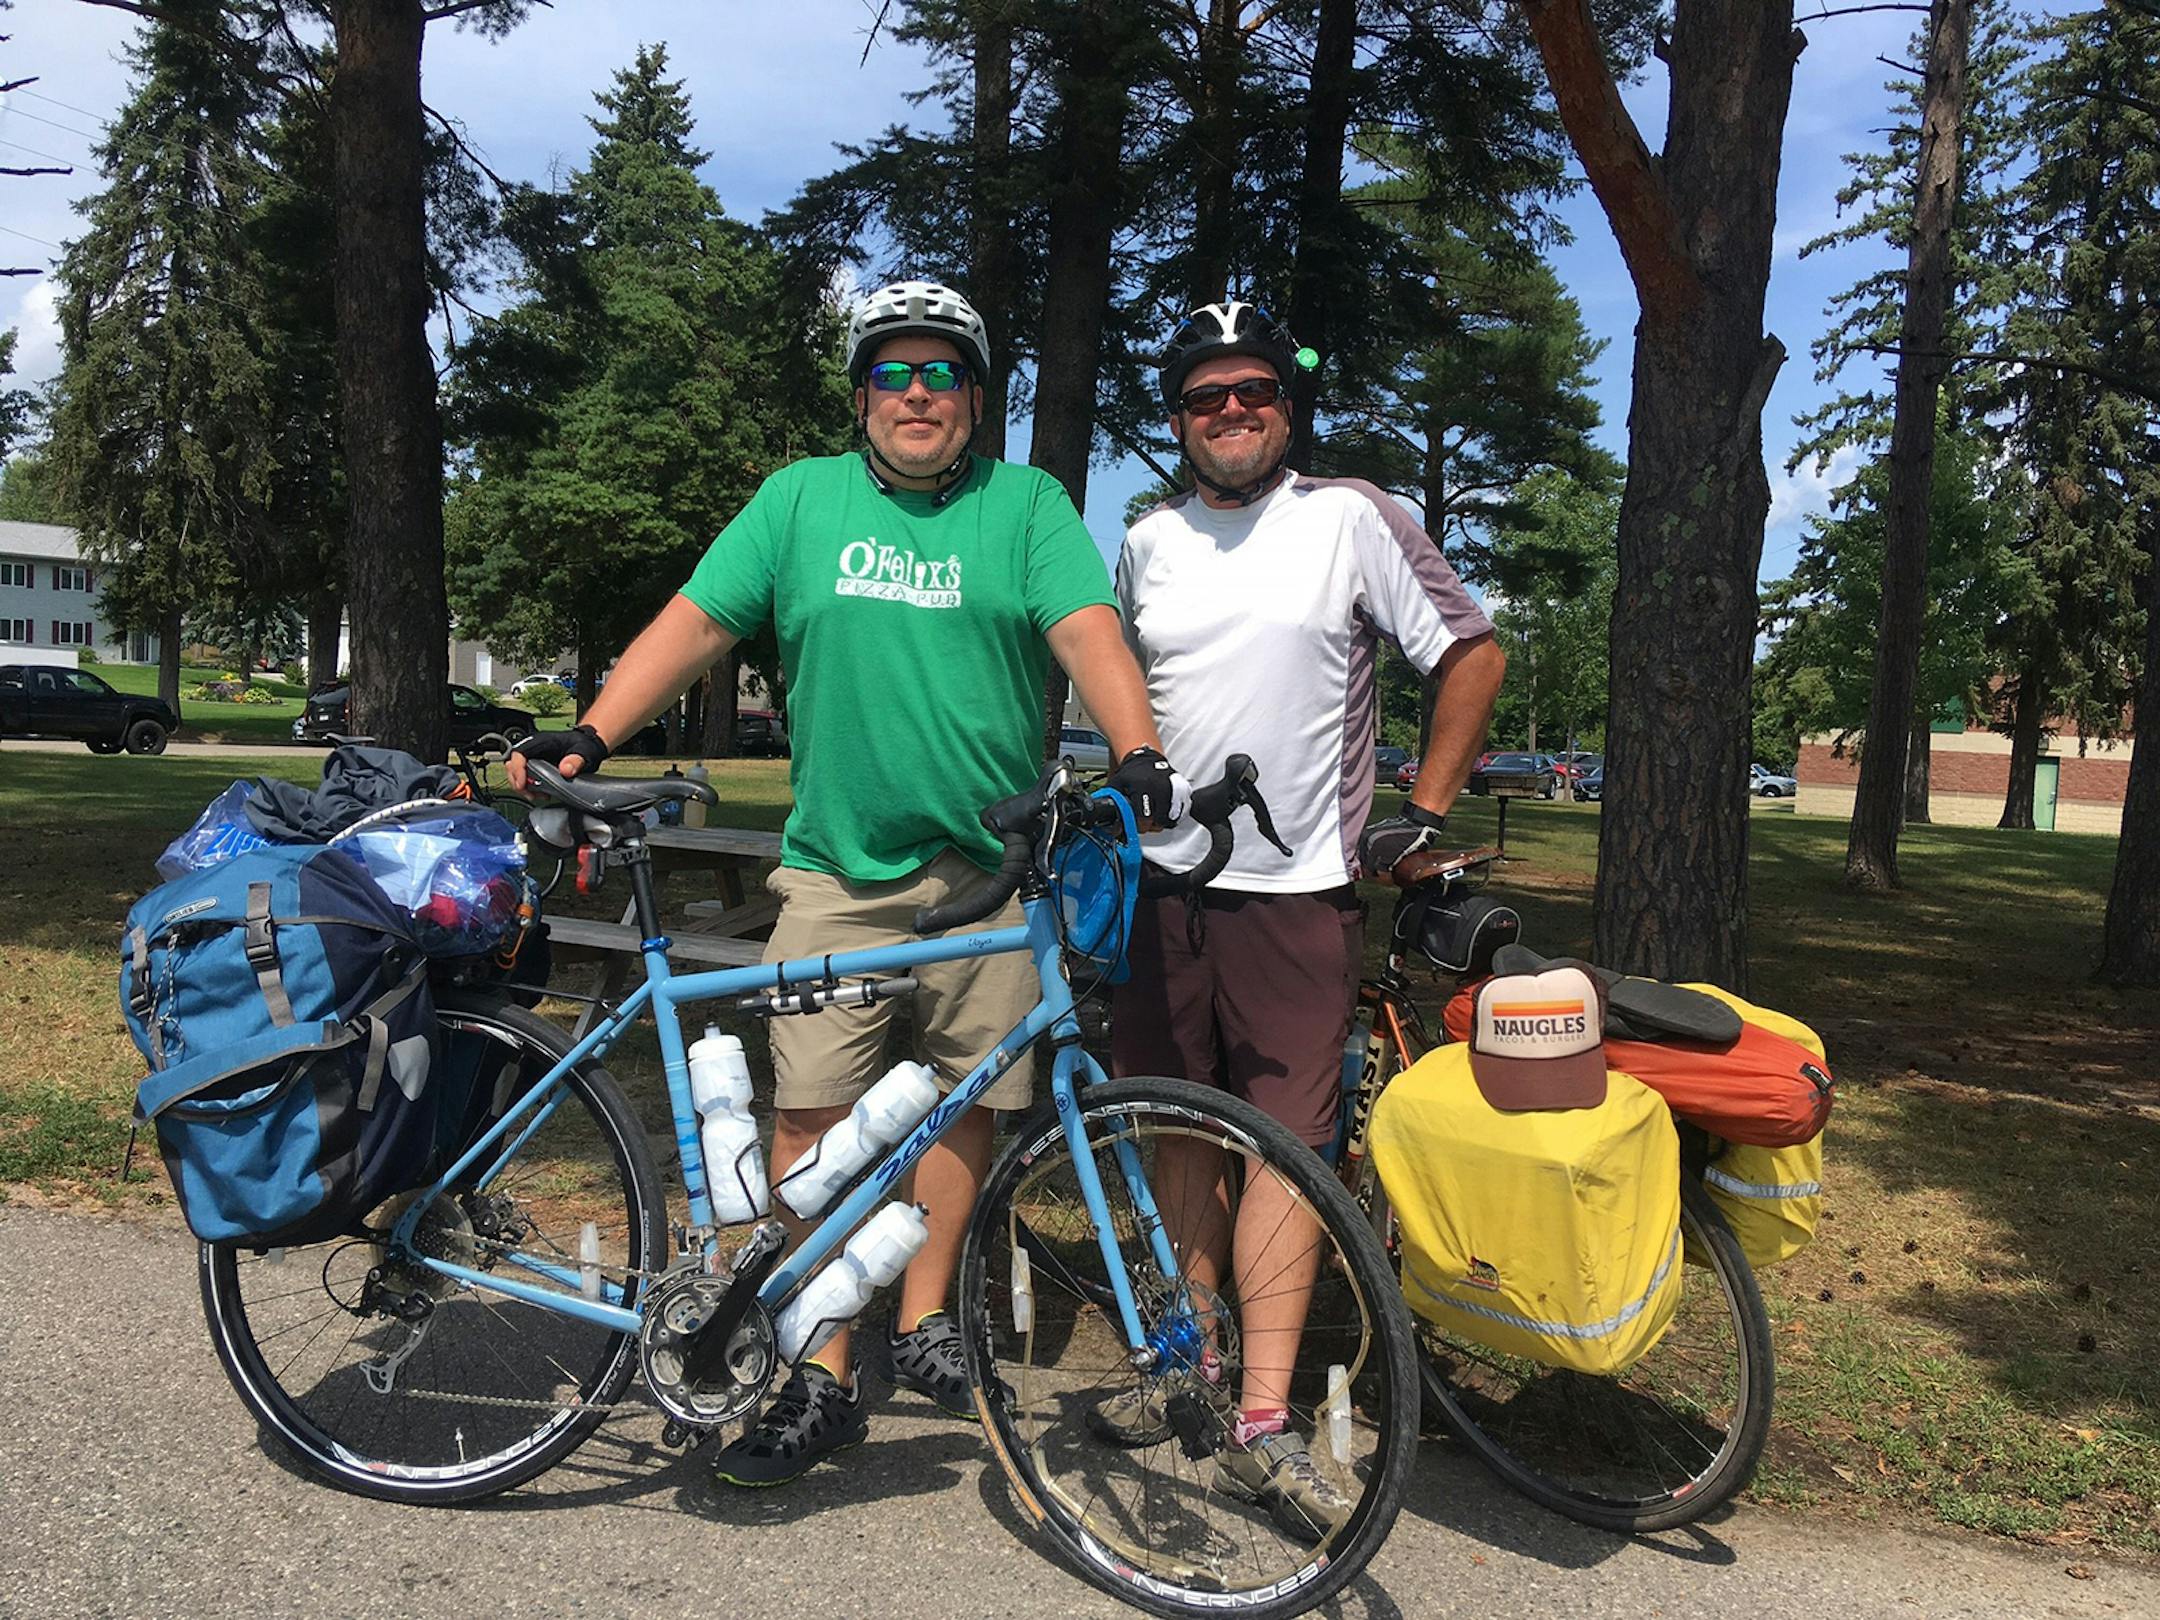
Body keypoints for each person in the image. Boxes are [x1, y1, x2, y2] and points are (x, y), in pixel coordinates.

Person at [509, 280, 1187, 1487]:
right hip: (836, 870)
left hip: (991, 868)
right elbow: (697, 623)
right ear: (863, 395)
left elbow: (1089, 630)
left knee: (965, 1100)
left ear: (977, 399)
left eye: (942, 374)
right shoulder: (798, 501)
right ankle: (816, 1367)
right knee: (813, 1115)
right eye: (893, 372)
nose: (916, 394)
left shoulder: (1023, 503)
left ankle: (925, 1316)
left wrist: (1135, 751)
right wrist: (592, 734)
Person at [1097, 299, 1505, 1541]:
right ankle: (1187, 1365)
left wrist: (1421, 810)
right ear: (1178, 420)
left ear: (1287, 405)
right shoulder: (1147, 538)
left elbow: (1470, 650)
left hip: (1295, 890)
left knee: (1283, 1146)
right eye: (1207, 397)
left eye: (1254, 392)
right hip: (1159, 887)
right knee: (1179, 1127)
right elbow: (1124, 685)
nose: (1232, 413)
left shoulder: (1351, 516)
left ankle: (1262, 1423)